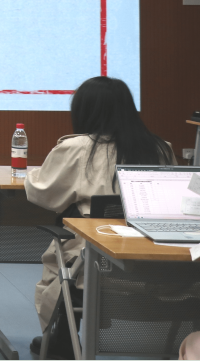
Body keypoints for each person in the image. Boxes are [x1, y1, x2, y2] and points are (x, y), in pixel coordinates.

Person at [25, 76, 174, 356]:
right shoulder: (160, 148)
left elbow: (42, 193)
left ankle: (64, 339)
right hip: (158, 266)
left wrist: (32, 174)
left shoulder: (78, 148)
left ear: (84, 111)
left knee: (72, 254)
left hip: (95, 266)